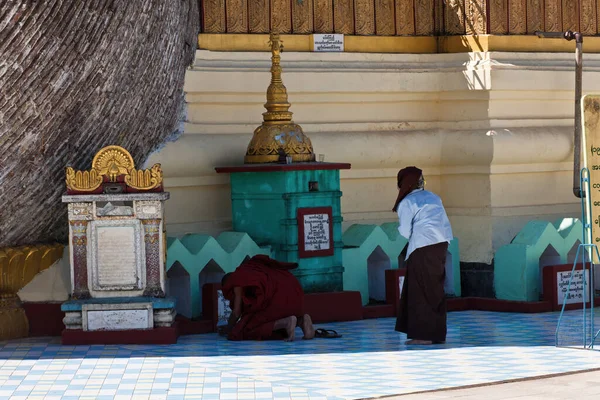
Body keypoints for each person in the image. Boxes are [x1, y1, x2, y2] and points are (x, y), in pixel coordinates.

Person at [392, 166, 453, 345]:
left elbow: (404, 231)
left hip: (423, 246)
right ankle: (437, 333)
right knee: (435, 286)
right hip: (442, 243)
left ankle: (423, 336)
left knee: (420, 289)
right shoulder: (434, 197)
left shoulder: (408, 202)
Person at [219, 254, 315, 341]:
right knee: (271, 324)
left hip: (277, 301)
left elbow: (236, 312)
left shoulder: (236, 280)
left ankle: (287, 321)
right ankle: (302, 320)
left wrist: (229, 327)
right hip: (295, 297)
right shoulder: (255, 269)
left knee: (246, 329)